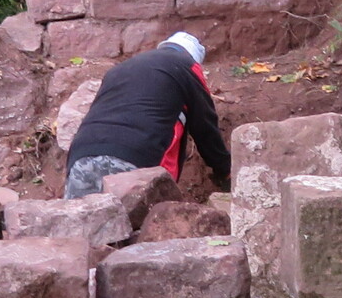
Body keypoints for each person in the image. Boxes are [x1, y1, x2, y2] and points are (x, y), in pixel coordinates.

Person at [63, 32, 231, 198]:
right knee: (141, 216)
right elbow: (205, 126)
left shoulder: (119, 69)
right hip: (134, 161)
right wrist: (224, 169)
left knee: (81, 215)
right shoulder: (188, 66)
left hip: (81, 156)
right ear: (194, 58)